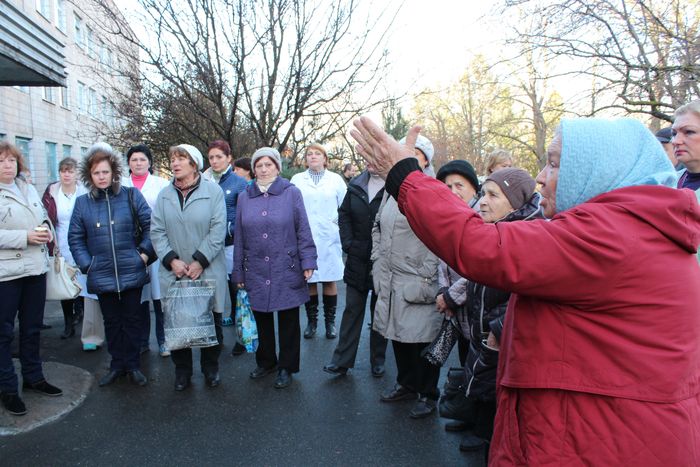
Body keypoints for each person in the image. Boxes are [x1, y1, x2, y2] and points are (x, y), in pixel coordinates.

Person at [351, 116, 700, 465]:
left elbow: (478, 245)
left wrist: (404, 175)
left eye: (554, 163)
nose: (541, 177)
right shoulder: (633, 228)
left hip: (604, 442)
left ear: (600, 169)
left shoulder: (610, 235)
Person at [449, 168, 543, 457]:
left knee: (495, 384)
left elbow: (526, 289)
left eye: (493, 195)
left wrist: (499, 326)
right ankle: (478, 426)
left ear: (515, 202)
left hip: (499, 333)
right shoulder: (495, 227)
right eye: (483, 194)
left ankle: (488, 436)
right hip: (482, 323)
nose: (483, 202)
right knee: (480, 374)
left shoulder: (527, 236)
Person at [68, 143, 155, 388]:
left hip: (132, 269)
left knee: (132, 320)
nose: (102, 177)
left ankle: (134, 365)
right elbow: (75, 238)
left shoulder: (130, 195)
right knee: (112, 322)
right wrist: (88, 265)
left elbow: (151, 226)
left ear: (114, 171)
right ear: (89, 175)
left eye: (105, 172)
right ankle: (117, 365)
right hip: (101, 273)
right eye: (97, 173)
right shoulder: (83, 203)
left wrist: (144, 255)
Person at [233, 147, 317, 389]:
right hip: (255, 266)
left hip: (286, 264)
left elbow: (303, 227)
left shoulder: (292, 193)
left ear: (277, 167)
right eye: (259, 165)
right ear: (253, 169)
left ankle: (287, 367)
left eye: (268, 164)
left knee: (289, 318)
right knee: (261, 316)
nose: (263, 169)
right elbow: (239, 236)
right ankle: (266, 361)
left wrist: (308, 260)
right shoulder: (244, 197)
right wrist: (238, 270)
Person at [372, 134, 443, 420]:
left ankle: (428, 393)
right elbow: (377, 225)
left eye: (413, 152)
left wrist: (427, 271)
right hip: (391, 276)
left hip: (418, 276)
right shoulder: (392, 190)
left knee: (423, 337)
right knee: (399, 334)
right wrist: (377, 260)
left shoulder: (433, 189)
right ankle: (407, 384)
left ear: (424, 159)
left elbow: (440, 235)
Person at [150, 144, 228, 391]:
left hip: (206, 269)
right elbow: (157, 232)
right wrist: (171, 260)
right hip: (176, 271)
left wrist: (199, 261)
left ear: (194, 164)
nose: (175, 163)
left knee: (211, 323)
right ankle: (182, 372)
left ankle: (210, 369)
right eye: (173, 159)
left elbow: (218, 230)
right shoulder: (164, 195)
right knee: (177, 323)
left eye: (181, 158)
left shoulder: (213, 192)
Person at [0, 141, 63, 416]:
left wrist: (47, 230)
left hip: (35, 269)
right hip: (6, 274)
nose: (7, 165)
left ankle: (34, 378)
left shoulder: (27, 187)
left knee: (32, 328)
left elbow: (43, 218)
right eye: (2, 161)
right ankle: (8, 389)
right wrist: (24, 237)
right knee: (3, 334)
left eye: (11, 160)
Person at [322, 162, 388, 378]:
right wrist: (348, 243)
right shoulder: (356, 185)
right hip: (357, 256)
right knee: (352, 309)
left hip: (384, 260)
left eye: (375, 156)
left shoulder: (395, 186)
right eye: (367, 157)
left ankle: (378, 360)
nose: (370, 161)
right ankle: (341, 361)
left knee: (379, 312)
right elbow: (344, 215)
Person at [291, 144, 346, 339]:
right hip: (305, 236)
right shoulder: (297, 180)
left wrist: (337, 224)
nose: (313, 157)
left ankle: (330, 323)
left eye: (317, 153)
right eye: (309, 154)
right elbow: (292, 208)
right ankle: (312, 323)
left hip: (329, 236)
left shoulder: (336, 180)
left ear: (325, 159)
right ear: (305, 159)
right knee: (310, 279)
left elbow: (345, 207)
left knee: (330, 278)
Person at [122, 144, 170, 357]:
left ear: (150, 162)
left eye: (142, 159)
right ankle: (141, 342)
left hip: (157, 245)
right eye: (134, 160)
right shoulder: (120, 185)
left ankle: (163, 340)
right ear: (128, 163)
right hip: (131, 247)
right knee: (138, 297)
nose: (138, 163)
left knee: (159, 297)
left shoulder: (161, 184)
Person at [202, 140, 247, 356]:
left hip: (231, 246)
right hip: (207, 246)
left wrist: (232, 232)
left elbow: (245, 216)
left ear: (229, 158)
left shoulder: (239, 183)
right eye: (211, 157)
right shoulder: (203, 180)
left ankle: (242, 337)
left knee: (236, 291)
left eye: (219, 156)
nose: (215, 161)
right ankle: (215, 338)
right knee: (213, 291)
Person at [434, 159, 481, 368]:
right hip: (458, 311)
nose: (453, 191)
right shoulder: (449, 216)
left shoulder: (484, 216)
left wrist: (451, 297)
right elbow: (442, 257)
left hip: (476, 308)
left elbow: (480, 267)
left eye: (459, 185)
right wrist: (444, 289)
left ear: (474, 188)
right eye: (447, 187)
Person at [41, 157, 88, 340]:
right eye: (63, 171)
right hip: (61, 243)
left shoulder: (84, 191)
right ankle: (69, 323)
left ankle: (83, 316)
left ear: (76, 173)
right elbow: (45, 216)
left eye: (70, 171)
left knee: (84, 283)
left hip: (83, 242)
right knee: (64, 282)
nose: (66, 174)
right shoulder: (53, 191)